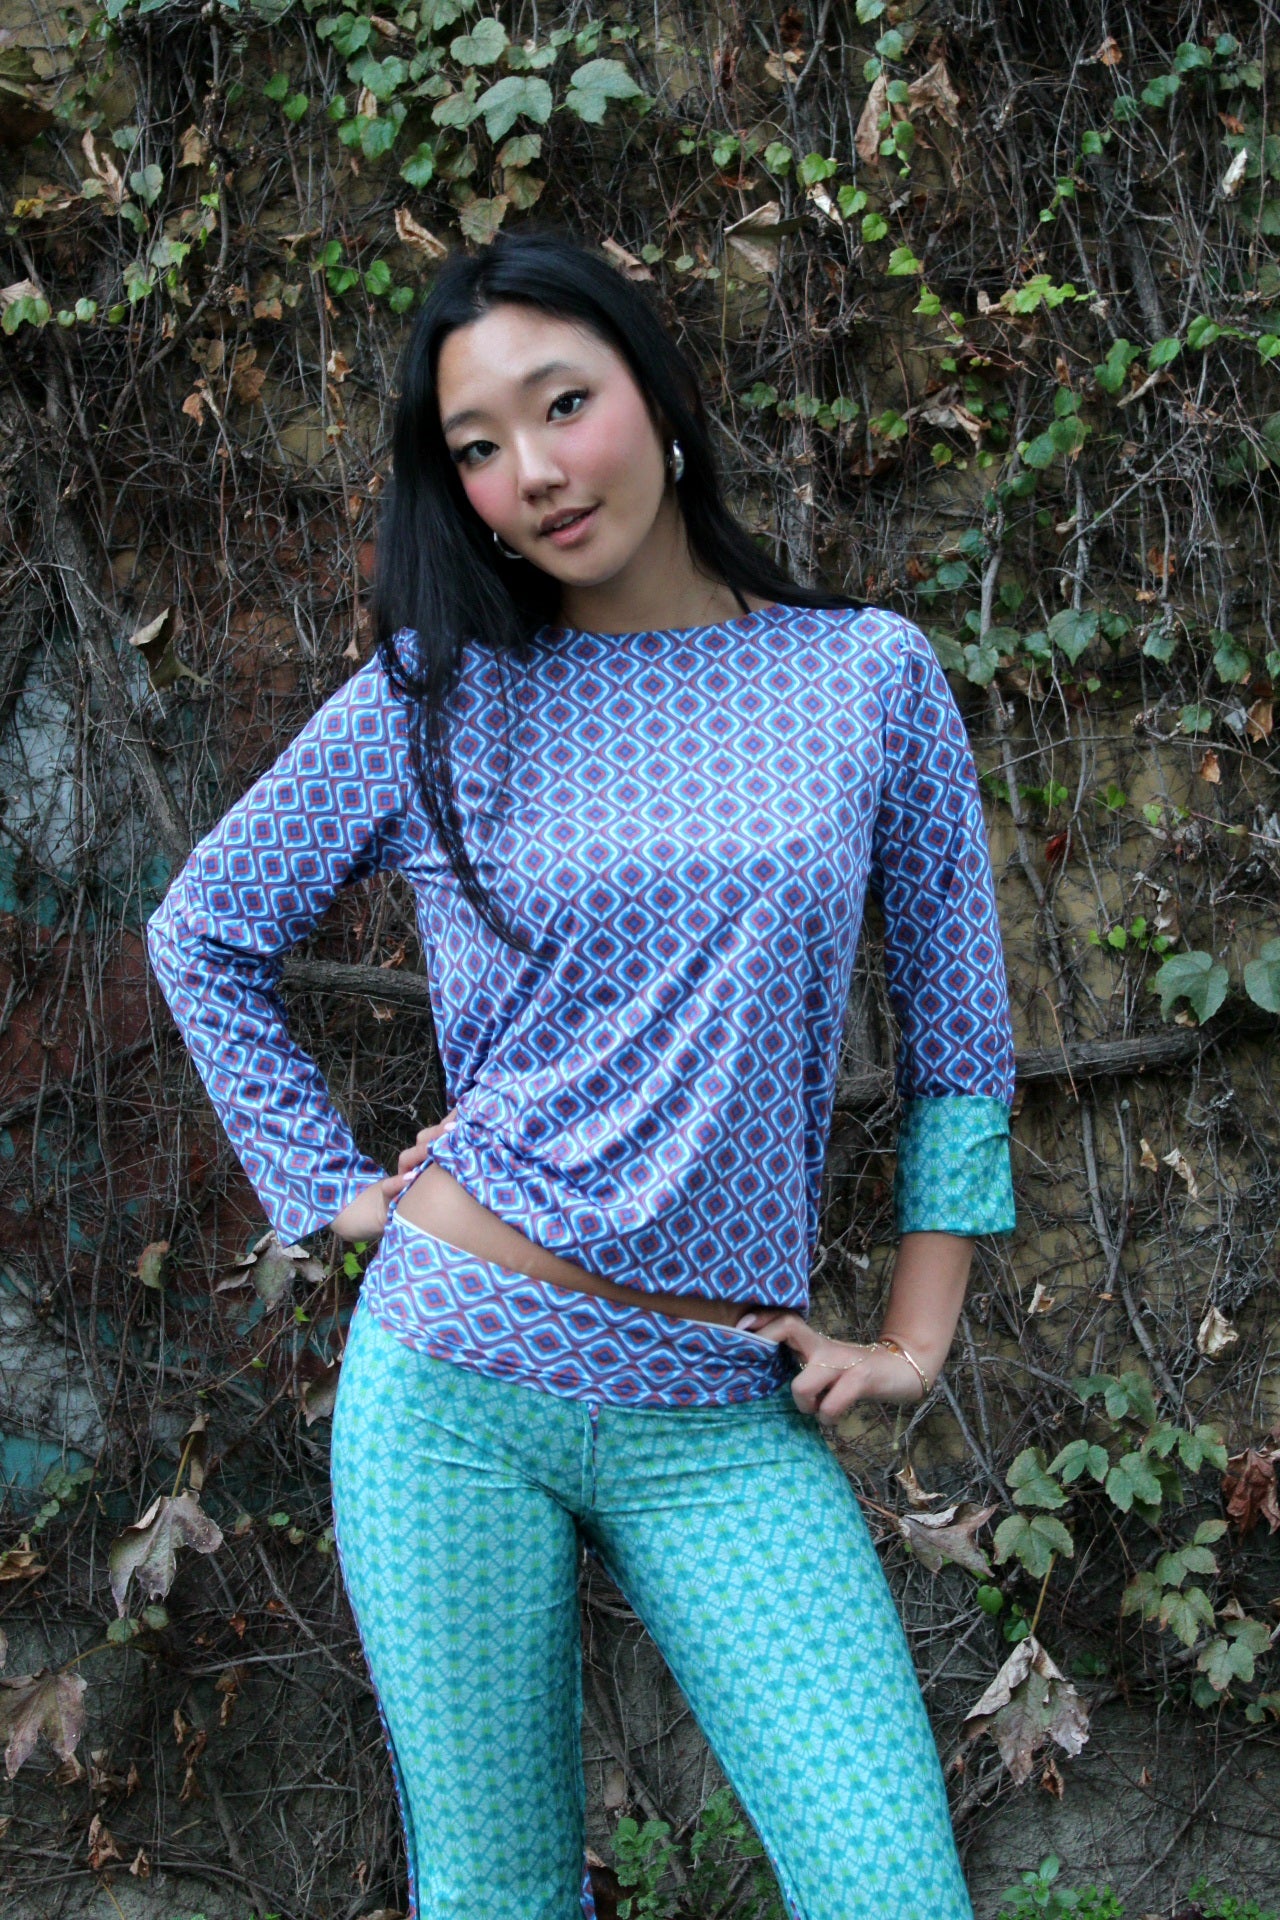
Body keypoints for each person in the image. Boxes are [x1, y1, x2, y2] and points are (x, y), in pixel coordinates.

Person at [146, 228, 1016, 1920]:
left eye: (564, 405)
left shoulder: (865, 678)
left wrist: (917, 1338)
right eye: (478, 445)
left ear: (660, 395)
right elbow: (206, 931)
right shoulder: (437, 694)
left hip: (721, 1411)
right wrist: (329, 1191)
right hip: (452, 1382)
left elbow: (960, 1046)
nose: (534, 472)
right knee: (500, 1895)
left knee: (895, 1889)